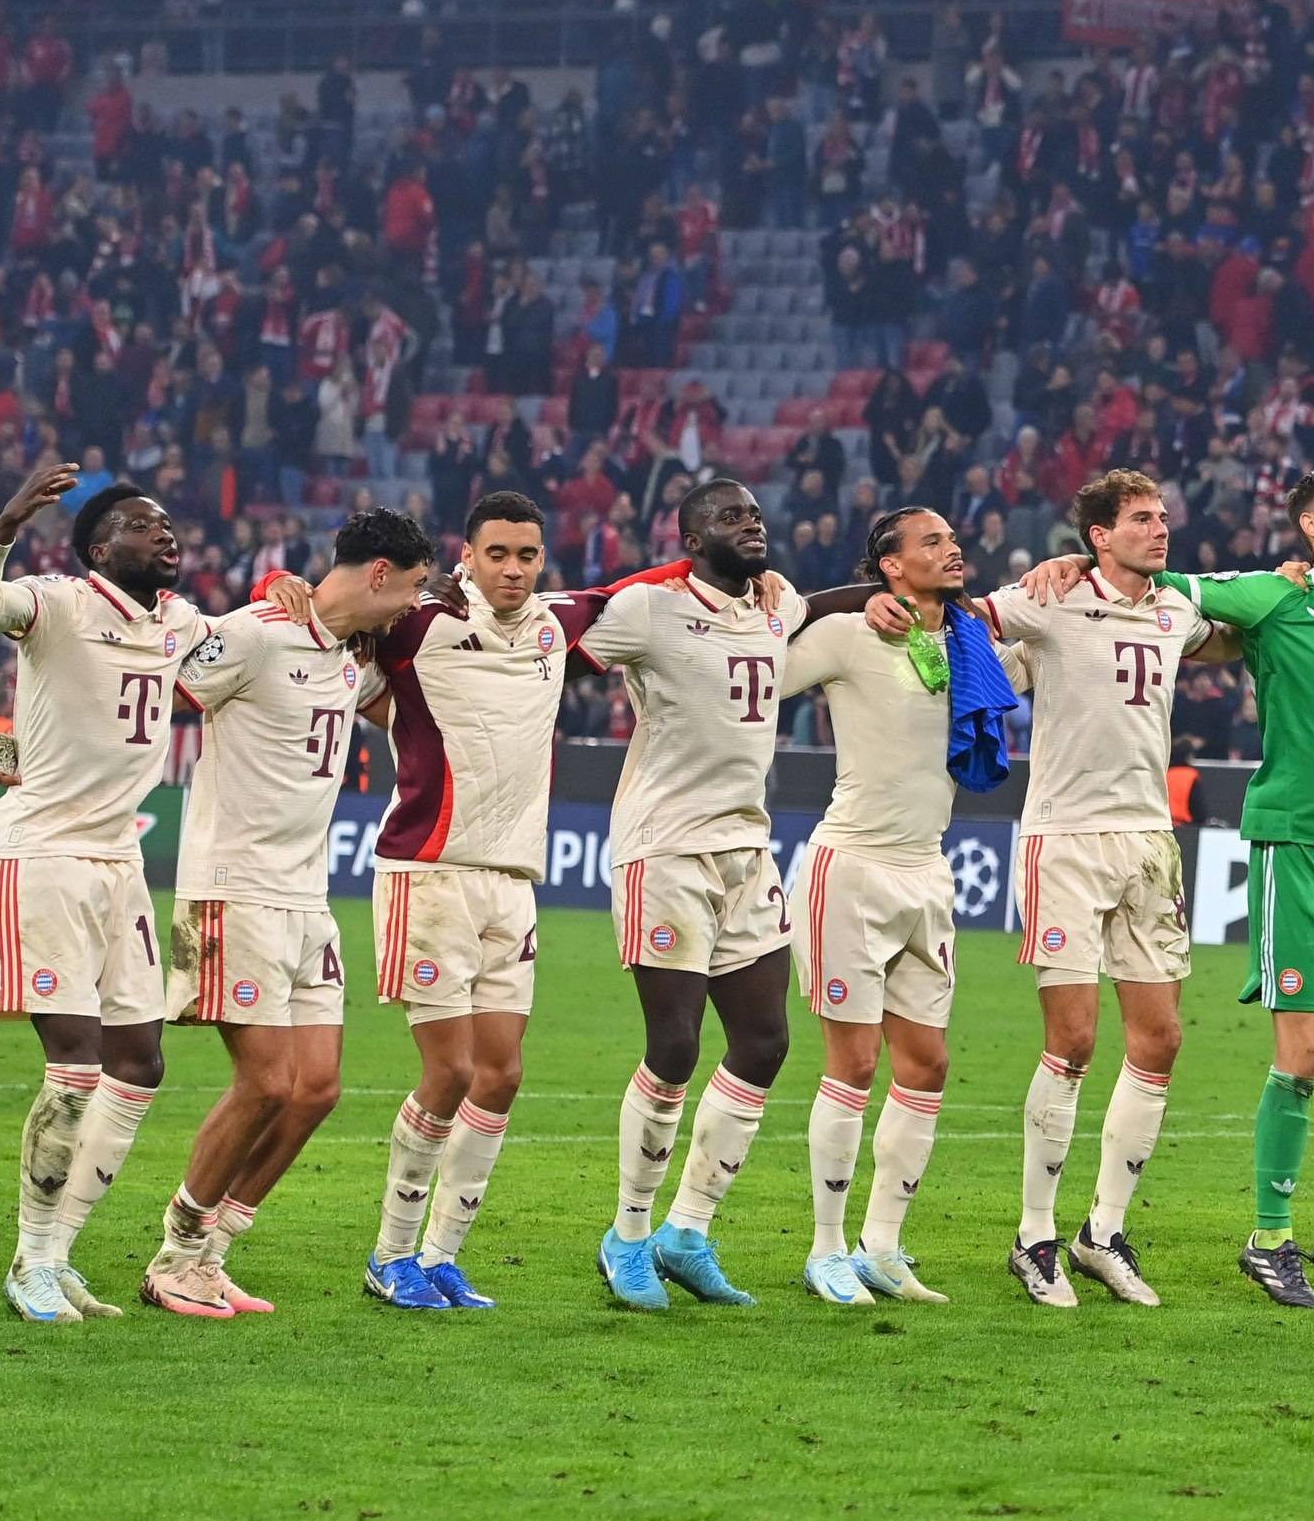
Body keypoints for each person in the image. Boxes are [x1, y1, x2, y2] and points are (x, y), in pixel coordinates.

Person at [1017, 458, 1314, 1309]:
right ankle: (1270, 1238)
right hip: (1294, 845)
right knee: (1304, 1051)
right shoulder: (1269, 597)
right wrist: (1074, 568)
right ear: (1311, 524)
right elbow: (1165, 587)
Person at [0, 461, 297, 1325]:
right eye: (146, 527)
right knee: (74, 1071)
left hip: (120, 866)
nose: (168, 535)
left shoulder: (176, 622)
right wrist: (4, 523)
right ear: (101, 547)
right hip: (42, 857)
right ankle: (30, 1260)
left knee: (139, 1065)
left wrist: (281, 587)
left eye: (168, 526)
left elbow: (247, 636)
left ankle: (59, 1254)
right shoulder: (58, 603)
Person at [353, 492, 676, 1310]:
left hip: (513, 883)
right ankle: (389, 1256)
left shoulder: (555, 625)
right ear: (467, 554)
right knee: (451, 1070)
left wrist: (769, 585)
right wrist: (284, 583)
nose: (513, 569)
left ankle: (441, 1257)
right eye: (497, 553)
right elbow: (328, 614)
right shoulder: (413, 624)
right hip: (428, 876)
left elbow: (660, 581)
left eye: (527, 555)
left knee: (499, 1075)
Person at [149, 510, 433, 1317]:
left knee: (314, 1090)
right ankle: (175, 1253)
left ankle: (211, 1253)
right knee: (266, 1081)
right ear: (378, 574)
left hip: (306, 898)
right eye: (410, 587)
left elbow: (404, 686)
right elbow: (154, 688)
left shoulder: (347, 656)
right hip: (233, 889)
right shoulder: (255, 632)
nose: (414, 604)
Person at [973, 470, 1229, 1306]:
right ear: (1098, 535)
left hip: (1149, 841)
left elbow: (1229, 629)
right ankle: (1033, 1235)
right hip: (1065, 840)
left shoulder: (1177, 607)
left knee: (1159, 1040)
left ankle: (1102, 1233)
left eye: (1163, 517)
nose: (1160, 530)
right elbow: (967, 622)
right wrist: (1032, 578)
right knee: (1075, 1041)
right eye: (1141, 520)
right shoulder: (1047, 598)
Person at [780, 509, 1012, 1307]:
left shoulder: (969, 643)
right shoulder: (852, 635)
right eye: (932, 543)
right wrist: (837, 601)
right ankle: (825, 1249)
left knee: (927, 1064)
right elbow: (759, 662)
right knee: (852, 1063)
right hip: (851, 870)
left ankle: (881, 1245)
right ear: (888, 565)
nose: (953, 550)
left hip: (928, 871)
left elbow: (1041, 640)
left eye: (954, 540)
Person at [583, 479, 802, 1311]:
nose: (750, 523)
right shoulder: (648, 606)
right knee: (672, 1048)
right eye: (729, 516)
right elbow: (567, 626)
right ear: (688, 535)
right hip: (664, 849)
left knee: (765, 1042)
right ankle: (627, 1236)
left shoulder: (776, 607)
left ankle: (687, 1232)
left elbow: (830, 606)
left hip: (747, 849)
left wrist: (893, 596)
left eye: (754, 512)